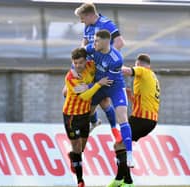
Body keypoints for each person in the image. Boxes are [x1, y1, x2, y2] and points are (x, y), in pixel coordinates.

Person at [107, 54, 160, 187]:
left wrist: (111, 66)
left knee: (119, 145)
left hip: (141, 118)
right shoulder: (152, 77)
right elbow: (147, 100)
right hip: (150, 120)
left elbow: (126, 71)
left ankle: (126, 181)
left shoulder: (143, 71)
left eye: (136, 66)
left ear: (139, 64)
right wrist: (132, 97)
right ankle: (122, 180)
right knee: (121, 145)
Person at [74, 3, 125, 141]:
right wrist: (79, 61)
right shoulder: (88, 25)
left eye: (82, 17)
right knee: (72, 92)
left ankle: (113, 129)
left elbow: (119, 43)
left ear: (90, 15)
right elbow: (83, 45)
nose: (81, 21)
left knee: (103, 101)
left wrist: (105, 58)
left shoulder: (106, 24)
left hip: (103, 69)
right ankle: (96, 122)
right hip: (90, 68)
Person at [63, 47, 113, 187]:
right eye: (75, 63)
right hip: (71, 116)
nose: (78, 65)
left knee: (81, 147)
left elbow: (100, 63)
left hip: (85, 114)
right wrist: (98, 84)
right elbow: (85, 96)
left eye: (80, 62)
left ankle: (74, 156)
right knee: (77, 146)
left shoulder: (90, 66)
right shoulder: (71, 77)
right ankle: (80, 180)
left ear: (86, 61)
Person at [85, 29, 134, 168]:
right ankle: (94, 123)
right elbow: (80, 53)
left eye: (97, 40)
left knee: (123, 119)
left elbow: (109, 80)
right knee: (88, 111)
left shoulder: (116, 58)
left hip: (114, 86)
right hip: (100, 84)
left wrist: (90, 87)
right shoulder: (92, 48)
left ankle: (130, 155)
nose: (94, 43)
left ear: (106, 42)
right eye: (94, 40)